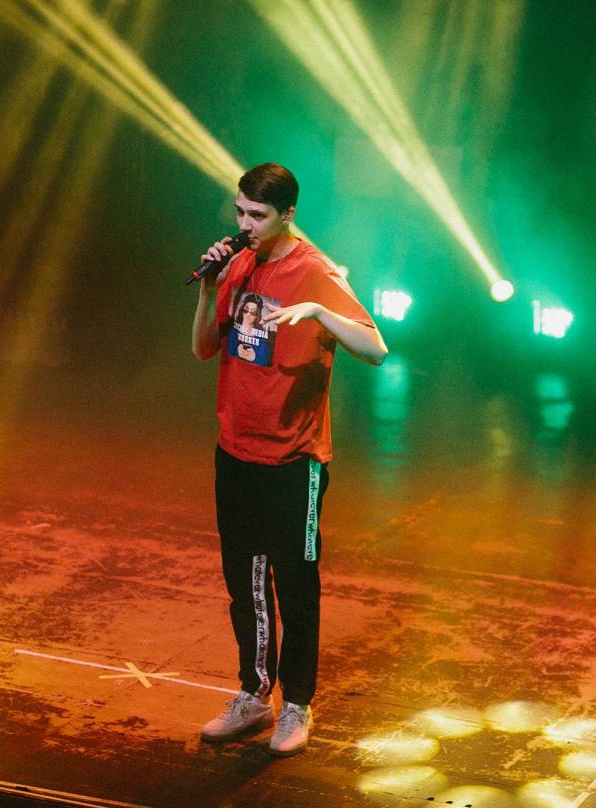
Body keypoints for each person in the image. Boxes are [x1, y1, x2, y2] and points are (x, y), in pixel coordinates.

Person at [190, 163, 387, 756]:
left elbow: (376, 348)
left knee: (296, 586)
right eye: (239, 211)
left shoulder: (315, 270)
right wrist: (208, 288)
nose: (245, 224)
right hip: (236, 450)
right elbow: (203, 348)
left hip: (294, 460)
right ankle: (254, 695)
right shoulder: (238, 263)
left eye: (258, 215)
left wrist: (319, 313)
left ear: (287, 215)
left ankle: (297, 704)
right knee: (244, 583)